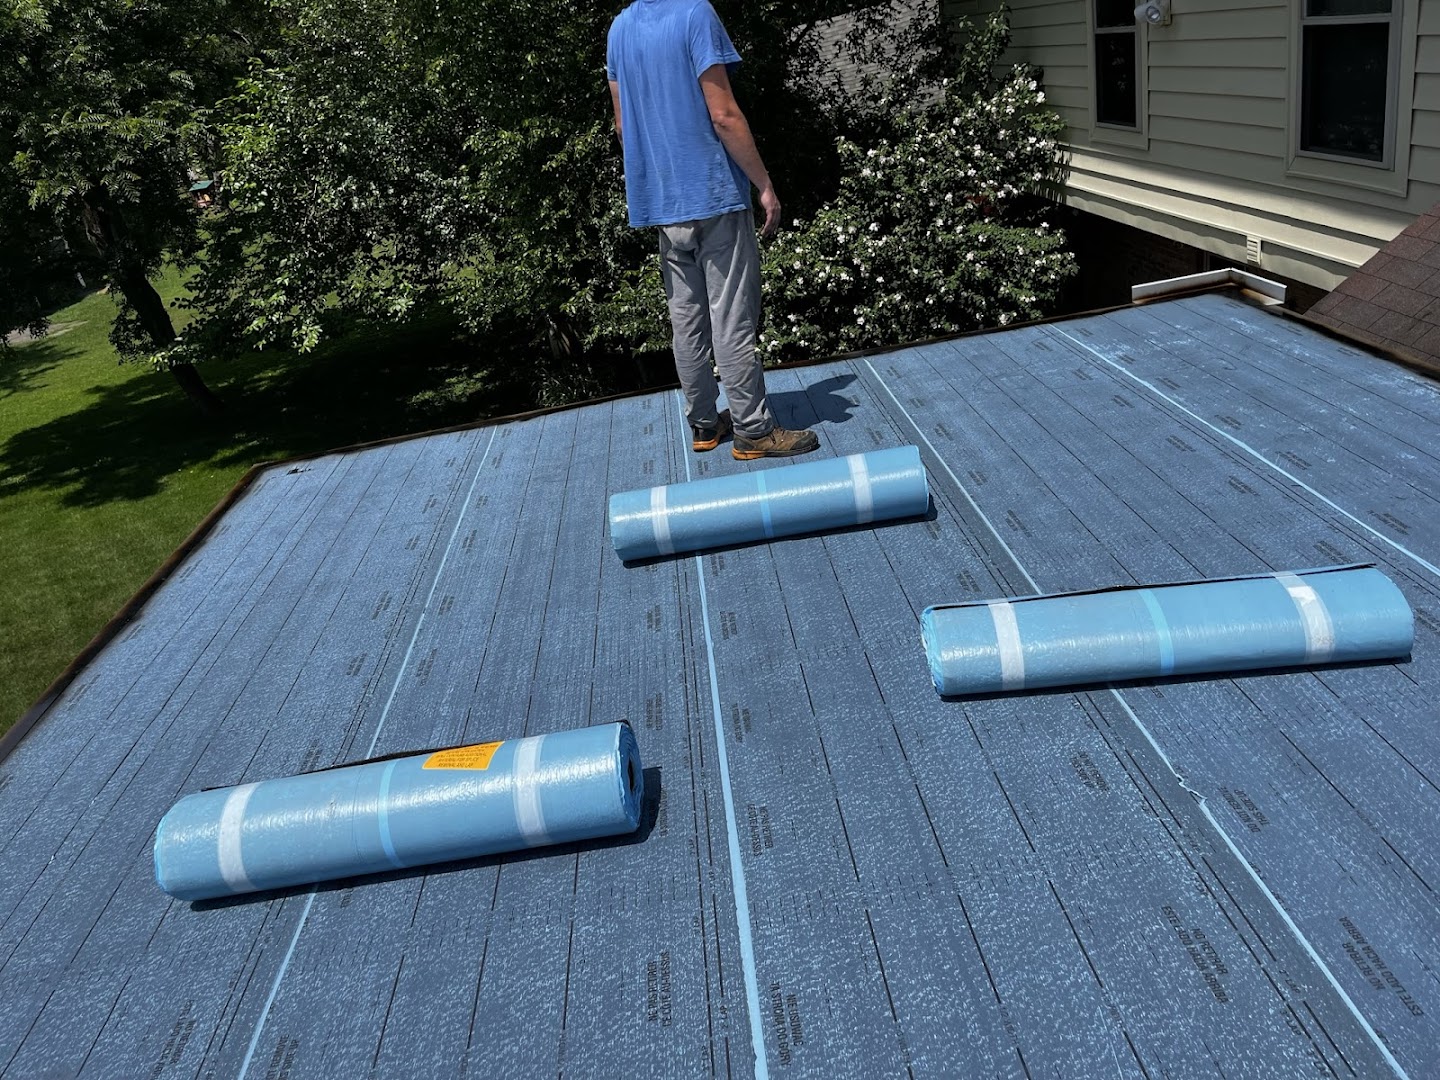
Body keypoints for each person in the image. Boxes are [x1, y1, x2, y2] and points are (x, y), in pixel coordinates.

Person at [606, 0, 819, 460]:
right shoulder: (694, 14)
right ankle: (753, 430)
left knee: (686, 322)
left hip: (663, 204)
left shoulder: (619, 30)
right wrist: (765, 185)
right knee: (731, 319)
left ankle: (704, 424)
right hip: (713, 193)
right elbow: (724, 115)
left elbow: (623, 127)